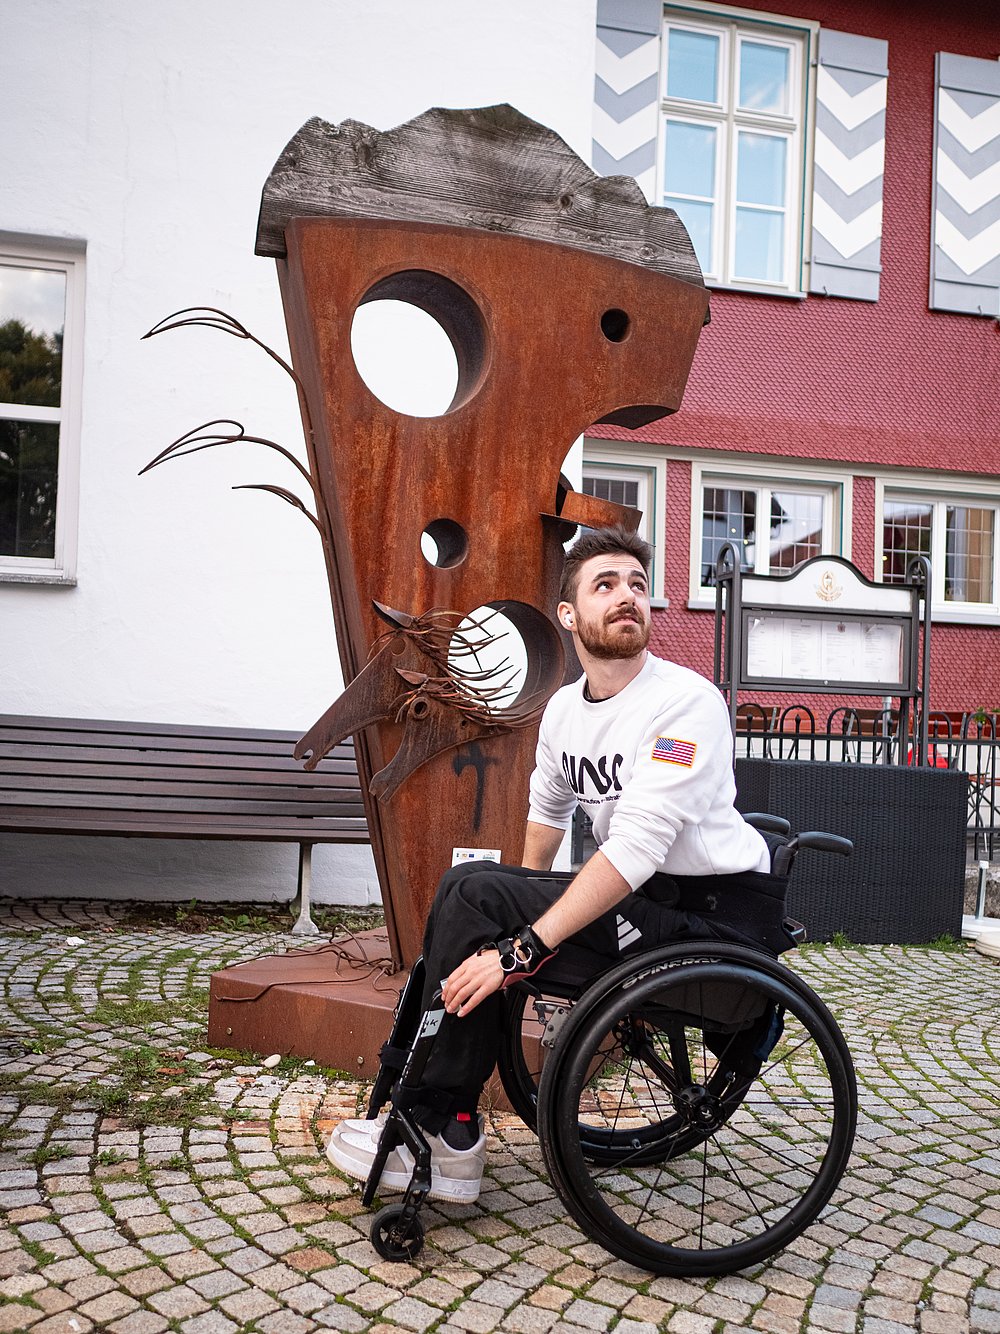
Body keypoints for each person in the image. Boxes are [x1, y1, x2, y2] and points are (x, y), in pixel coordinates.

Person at [326, 525, 770, 1203]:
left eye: (638, 585)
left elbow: (638, 846)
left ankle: (441, 1127)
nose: (628, 596)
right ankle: (440, 1114)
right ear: (568, 615)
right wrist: (516, 907)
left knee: (486, 905)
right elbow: (547, 814)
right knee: (472, 886)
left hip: (710, 916)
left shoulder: (686, 704)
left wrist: (522, 943)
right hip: (648, 898)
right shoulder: (565, 710)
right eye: (606, 584)